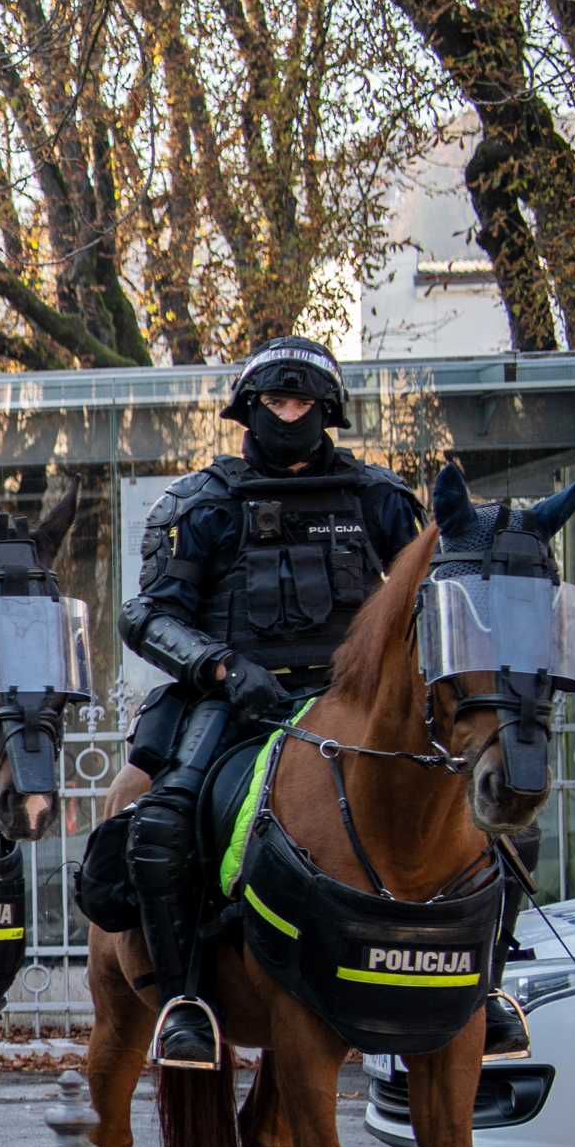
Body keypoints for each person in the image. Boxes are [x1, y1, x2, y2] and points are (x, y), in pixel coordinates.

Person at [113, 333, 439, 1070]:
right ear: (247, 409)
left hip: (352, 705)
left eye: (301, 402)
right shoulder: (200, 503)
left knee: (478, 811)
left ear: (326, 412)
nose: (287, 415)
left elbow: (433, 598)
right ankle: (185, 1002)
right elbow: (147, 616)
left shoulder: (380, 500)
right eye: (273, 401)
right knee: (161, 824)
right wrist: (222, 667)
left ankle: (484, 992)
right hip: (234, 701)